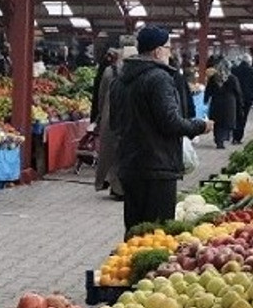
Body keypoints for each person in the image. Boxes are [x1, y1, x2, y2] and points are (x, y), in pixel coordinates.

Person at [110, 26, 211, 231]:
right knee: (158, 232)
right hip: (157, 166)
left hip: (130, 165)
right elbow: (170, 122)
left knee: (135, 231)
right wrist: (200, 126)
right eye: (167, 48)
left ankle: (129, 262)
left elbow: (114, 122)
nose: (170, 52)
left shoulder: (120, 80)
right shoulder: (159, 78)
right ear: (157, 51)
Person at [91, 49, 124, 199]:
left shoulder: (109, 72)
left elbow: (101, 95)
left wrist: (99, 114)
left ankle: (113, 184)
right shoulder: (139, 72)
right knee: (121, 152)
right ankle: (118, 187)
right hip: (126, 116)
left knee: (111, 151)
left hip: (109, 115)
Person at [204, 66, 241, 149]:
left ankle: (218, 139)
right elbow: (238, 91)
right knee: (226, 123)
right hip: (229, 103)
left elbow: (208, 90)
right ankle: (222, 139)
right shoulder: (232, 78)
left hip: (216, 103)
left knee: (217, 122)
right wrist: (240, 103)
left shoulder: (213, 78)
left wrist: (205, 100)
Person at [231, 58, 253, 143]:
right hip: (248, 97)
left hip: (235, 96)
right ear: (249, 62)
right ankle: (238, 137)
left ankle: (234, 135)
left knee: (236, 116)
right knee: (243, 117)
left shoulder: (234, 70)